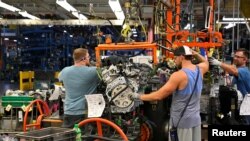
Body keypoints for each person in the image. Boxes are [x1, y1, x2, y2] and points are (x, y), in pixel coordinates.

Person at [131, 45, 209, 141]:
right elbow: (206, 62)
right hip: (196, 120)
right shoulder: (200, 70)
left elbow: (159, 96)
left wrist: (138, 96)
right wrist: (195, 53)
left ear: (181, 57)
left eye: (175, 58)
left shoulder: (178, 75)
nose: (175, 61)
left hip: (182, 123)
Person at [59, 48, 100, 128]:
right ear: (84, 59)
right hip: (84, 114)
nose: (89, 58)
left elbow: (60, 78)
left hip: (68, 112)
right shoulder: (93, 72)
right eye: (88, 57)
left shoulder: (64, 71)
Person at [209, 48, 250, 124]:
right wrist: (227, 76)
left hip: (246, 106)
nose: (235, 58)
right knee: (221, 116)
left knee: (243, 122)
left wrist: (219, 63)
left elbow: (233, 70)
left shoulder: (244, 71)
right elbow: (231, 80)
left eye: (238, 57)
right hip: (237, 105)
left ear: (245, 60)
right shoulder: (238, 71)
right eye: (234, 56)